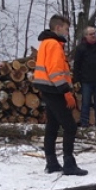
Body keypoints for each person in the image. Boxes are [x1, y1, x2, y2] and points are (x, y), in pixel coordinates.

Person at [32, 14, 87, 176]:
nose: (68, 32)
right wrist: (66, 92)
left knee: (53, 126)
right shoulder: (54, 45)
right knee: (70, 126)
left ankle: (52, 162)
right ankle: (68, 163)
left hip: (47, 89)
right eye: (66, 29)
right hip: (55, 90)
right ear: (58, 28)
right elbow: (55, 72)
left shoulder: (45, 43)